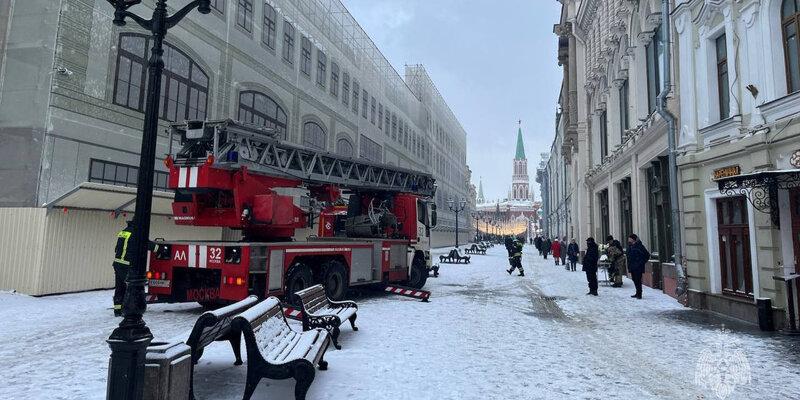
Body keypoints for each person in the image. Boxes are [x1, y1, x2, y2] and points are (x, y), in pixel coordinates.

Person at [112, 221, 135, 317]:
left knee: (119, 287)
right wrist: (160, 248)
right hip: (126, 265)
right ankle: (127, 308)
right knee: (128, 288)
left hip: (117, 263)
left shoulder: (123, 232)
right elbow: (145, 244)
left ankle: (117, 310)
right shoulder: (135, 233)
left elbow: (117, 248)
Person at [626, 234, 651, 299]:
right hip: (632, 266)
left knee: (638, 280)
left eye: (630, 238)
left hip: (638, 267)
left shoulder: (639, 246)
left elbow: (647, 255)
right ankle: (637, 292)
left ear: (633, 239)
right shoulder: (630, 246)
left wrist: (640, 263)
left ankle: (639, 294)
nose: (628, 239)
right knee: (634, 279)